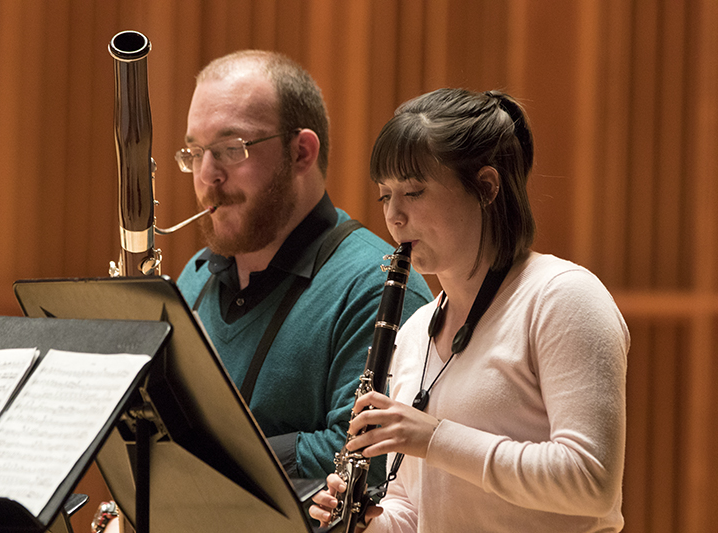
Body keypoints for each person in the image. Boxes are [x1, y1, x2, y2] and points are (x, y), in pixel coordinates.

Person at [310, 88, 630, 532]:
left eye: (414, 191)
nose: (395, 216)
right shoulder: (415, 332)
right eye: (386, 195)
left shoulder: (561, 298)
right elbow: (416, 511)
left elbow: (591, 481)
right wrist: (369, 525)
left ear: (486, 187)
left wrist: (434, 437)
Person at [174, 50, 434, 483]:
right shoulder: (195, 276)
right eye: (195, 152)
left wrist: (209, 457)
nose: (207, 175)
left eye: (230, 149)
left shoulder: (376, 285)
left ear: (301, 152)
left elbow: (369, 457)